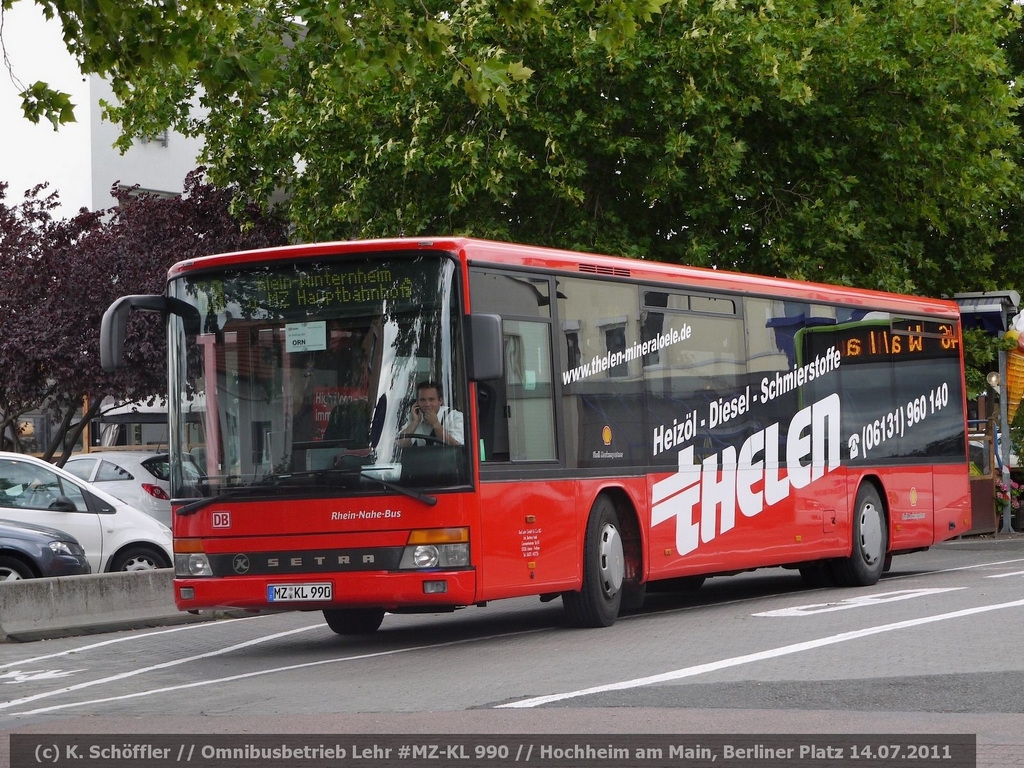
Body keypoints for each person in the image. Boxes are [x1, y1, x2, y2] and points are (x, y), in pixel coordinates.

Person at [398, 381, 464, 447]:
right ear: (417, 402)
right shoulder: (413, 416)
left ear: (440, 401)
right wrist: (415, 422)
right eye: (423, 400)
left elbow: (457, 446)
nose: (427, 404)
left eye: (431, 399)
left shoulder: (454, 417)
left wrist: (436, 424)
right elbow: (399, 445)